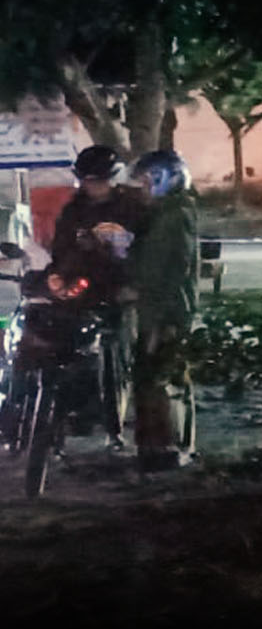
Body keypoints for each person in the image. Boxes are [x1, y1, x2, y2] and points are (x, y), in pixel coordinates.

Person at [50, 144, 144, 450]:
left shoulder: (132, 208)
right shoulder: (73, 210)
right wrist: (60, 276)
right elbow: (60, 250)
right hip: (80, 293)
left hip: (120, 293)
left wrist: (130, 283)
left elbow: (144, 252)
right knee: (68, 359)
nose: (93, 187)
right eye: (87, 181)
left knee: (115, 362)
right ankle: (64, 424)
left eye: (99, 181)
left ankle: (114, 431)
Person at [129, 149, 198, 470]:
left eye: (147, 182)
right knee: (150, 378)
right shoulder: (160, 214)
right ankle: (154, 449)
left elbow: (173, 271)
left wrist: (163, 319)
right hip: (153, 310)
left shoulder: (175, 216)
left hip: (166, 312)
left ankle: (173, 448)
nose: (141, 189)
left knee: (165, 379)